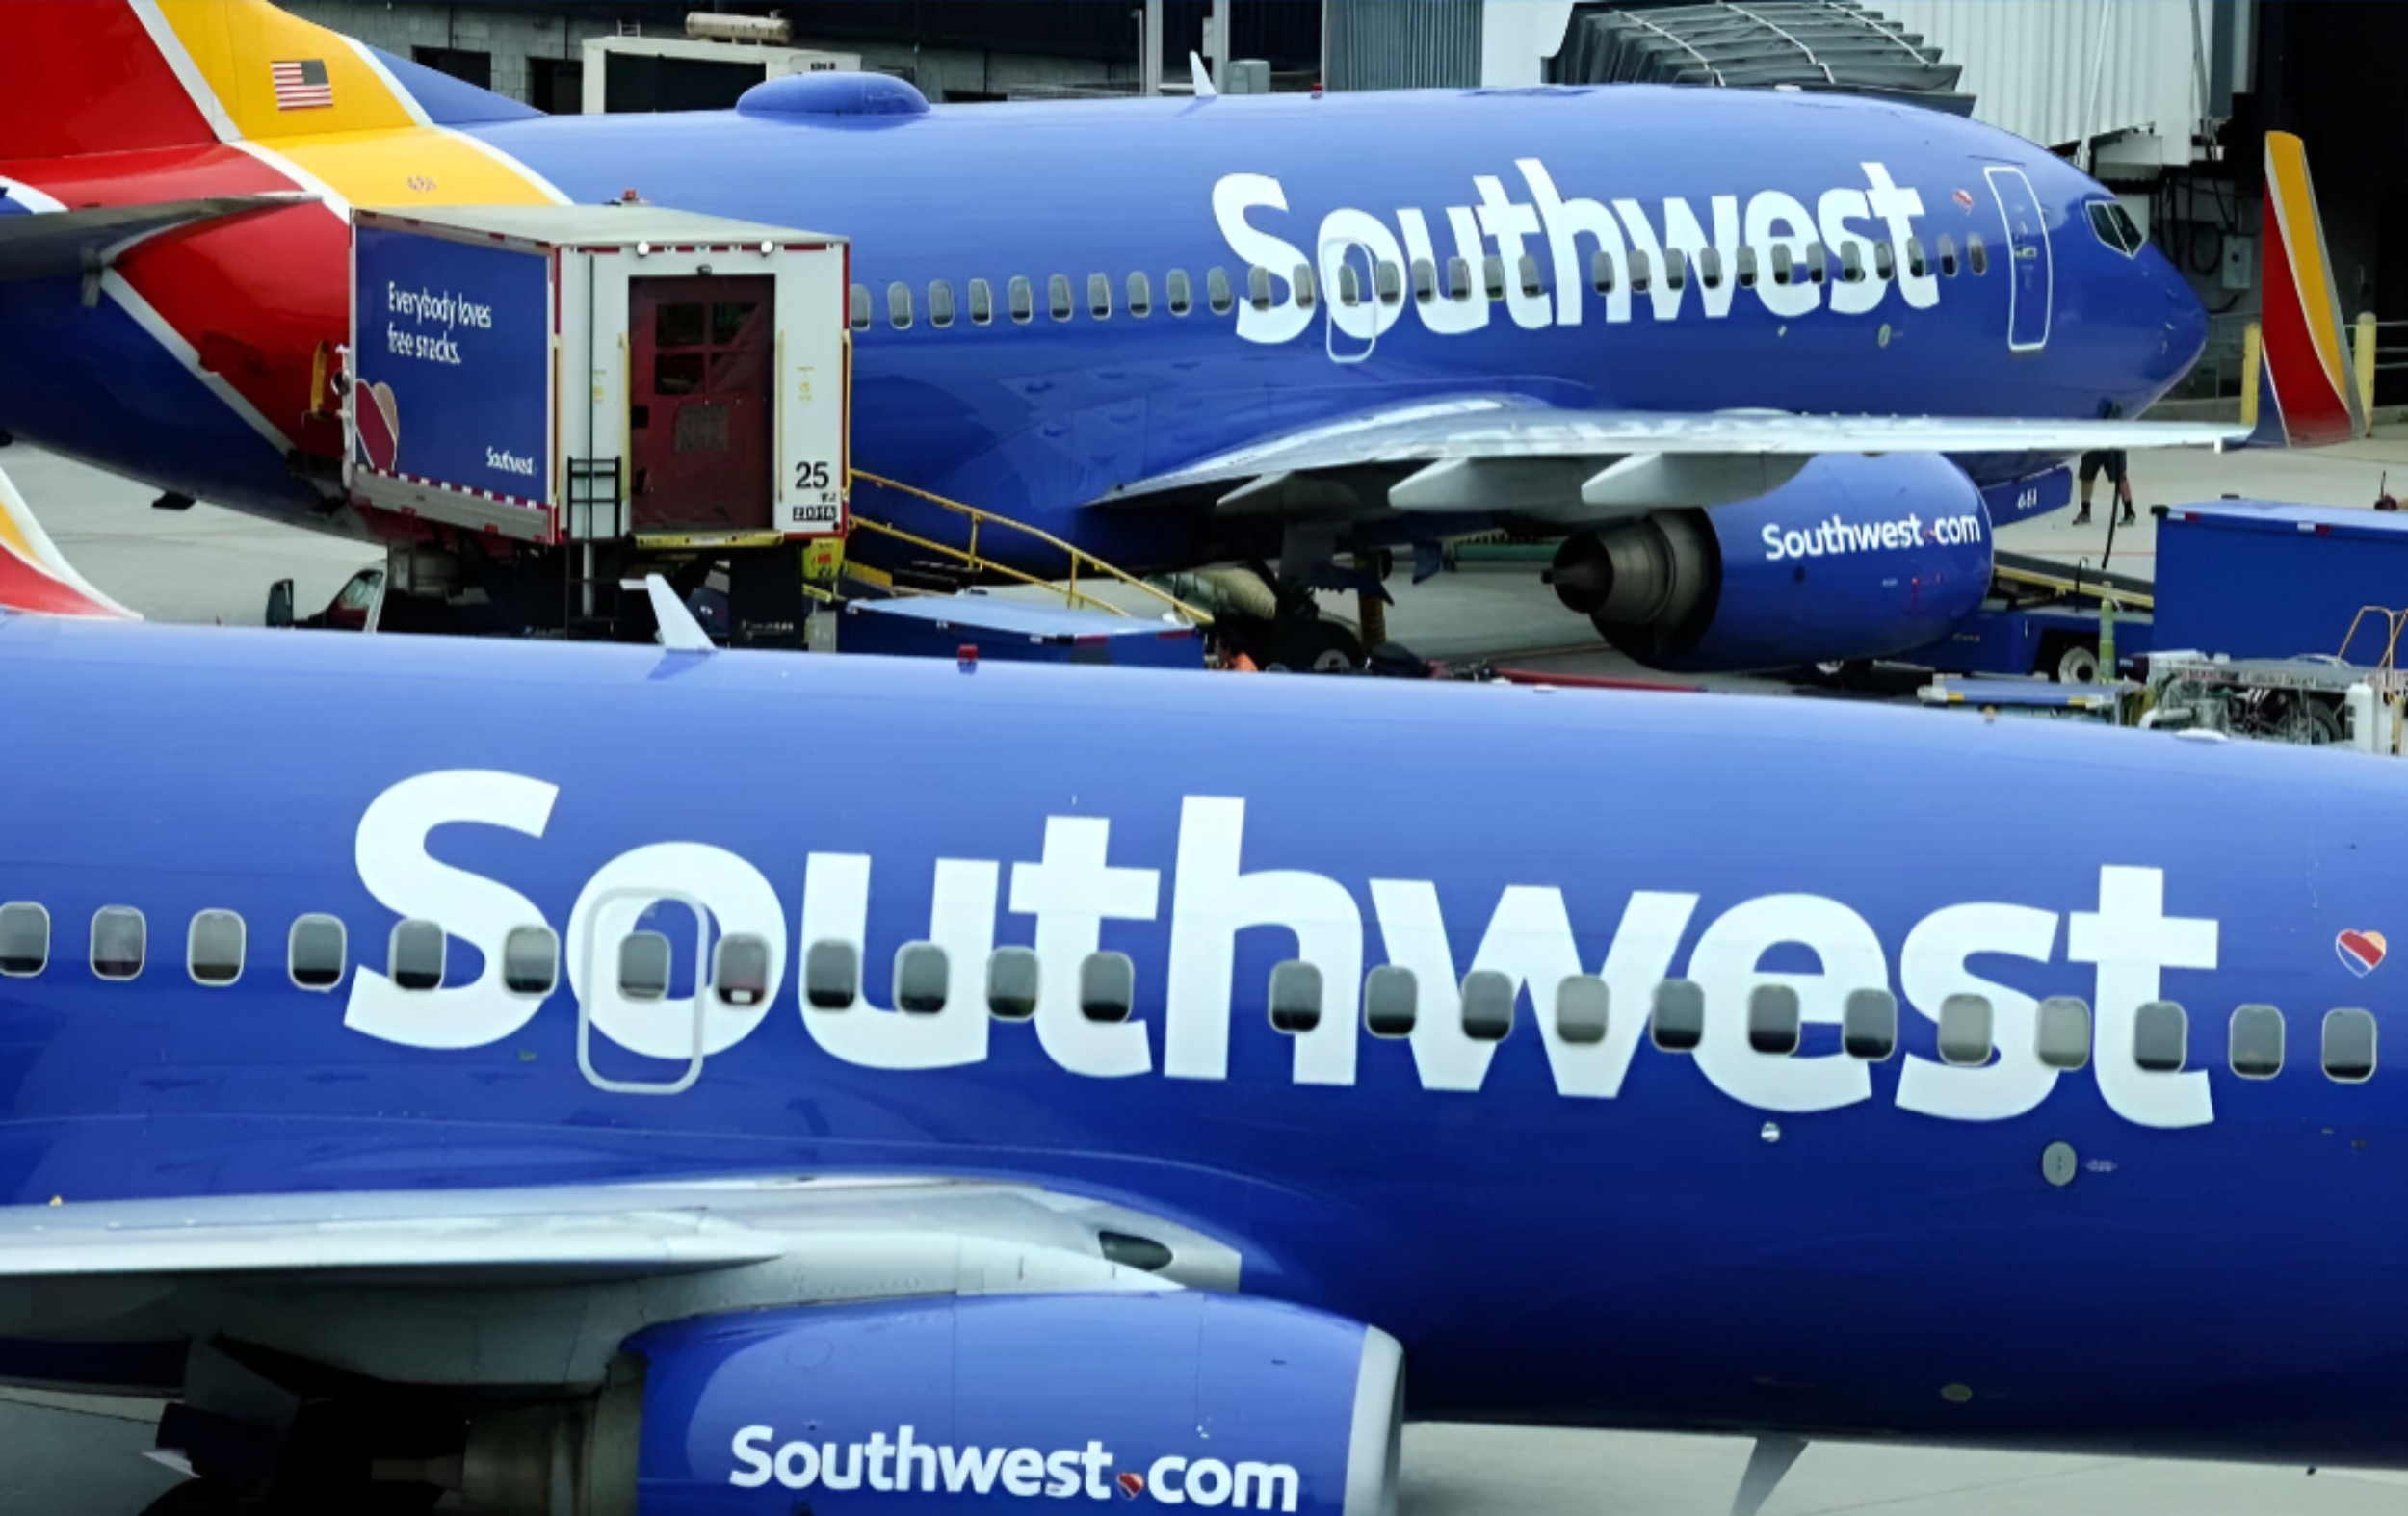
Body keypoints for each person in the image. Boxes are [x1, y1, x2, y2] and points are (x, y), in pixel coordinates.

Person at [2074, 449, 2135, 526]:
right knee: (2086, 476)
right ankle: (2085, 511)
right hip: (2093, 446)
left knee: (2119, 476)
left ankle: (2129, 511)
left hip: (2113, 447)